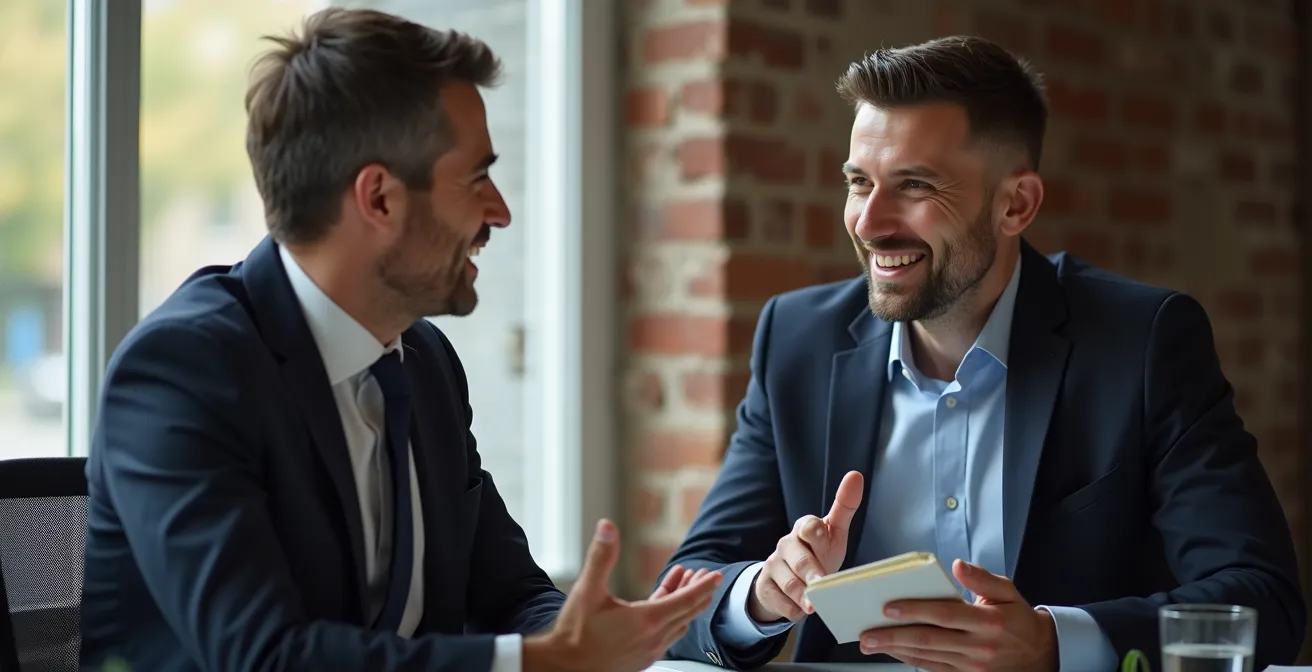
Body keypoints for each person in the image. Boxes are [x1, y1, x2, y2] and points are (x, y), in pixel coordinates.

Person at [79, 8, 721, 671]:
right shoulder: (181, 373)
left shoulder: (426, 364)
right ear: (379, 199)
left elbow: (511, 593)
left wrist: (588, 635)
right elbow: (265, 657)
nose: (499, 210)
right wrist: (544, 664)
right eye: (477, 178)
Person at [658, 35, 1305, 671]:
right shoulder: (798, 339)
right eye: (859, 182)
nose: (870, 222)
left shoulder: (1142, 342)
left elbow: (1260, 600)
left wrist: (1052, 643)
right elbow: (680, 598)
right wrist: (764, 594)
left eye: (913, 186)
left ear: (1015, 204)